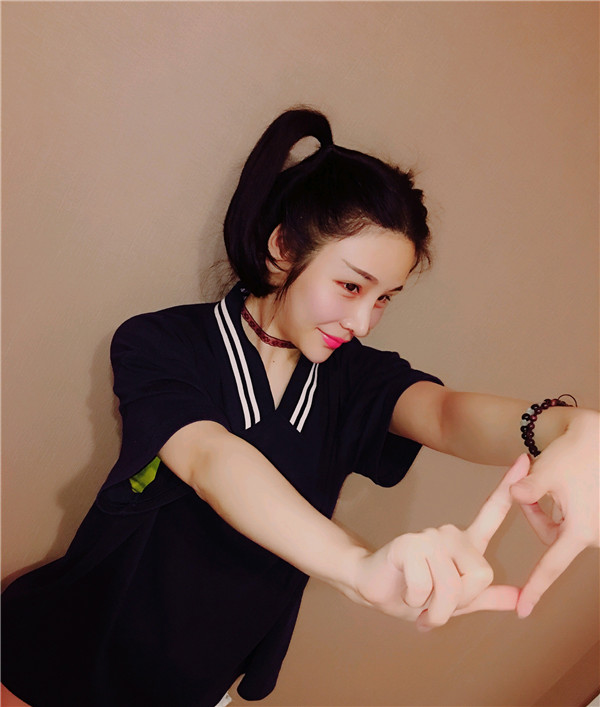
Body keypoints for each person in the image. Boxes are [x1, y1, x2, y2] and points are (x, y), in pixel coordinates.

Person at [2, 108, 598, 707]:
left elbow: (444, 415)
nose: (363, 321)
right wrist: (357, 567)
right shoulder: (161, 342)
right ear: (283, 247)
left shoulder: (354, 379)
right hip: (72, 651)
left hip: (198, 681)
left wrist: (563, 428)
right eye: (351, 286)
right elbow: (210, 458)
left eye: (384, 298)